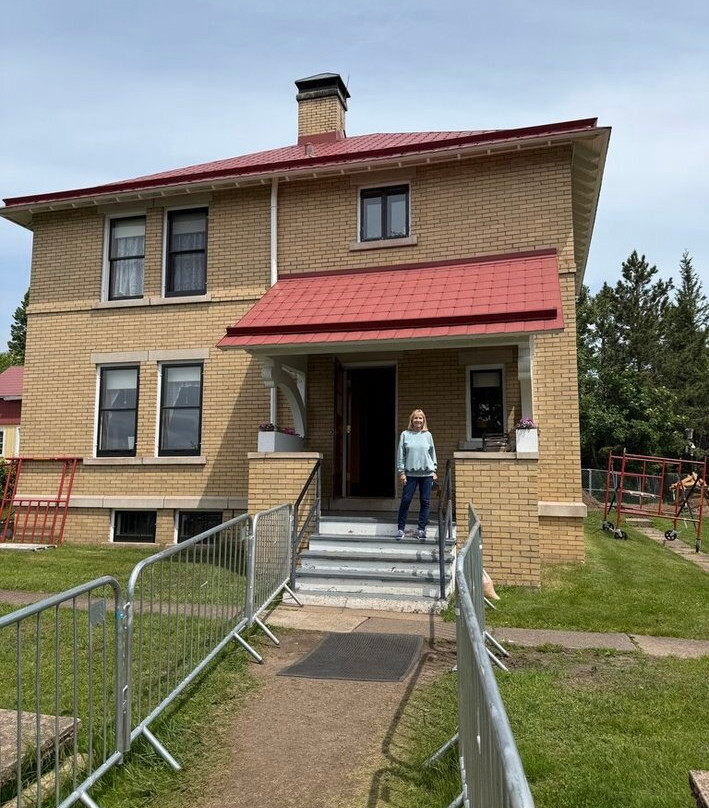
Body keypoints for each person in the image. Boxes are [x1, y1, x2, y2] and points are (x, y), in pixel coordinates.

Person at [396, 408, 437, 541]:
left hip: (426, 474)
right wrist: (401, 472)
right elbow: (401, 454)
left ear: (423, 420)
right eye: (415, 418)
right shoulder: (405, 434)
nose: (418, 420)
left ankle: (421, 529)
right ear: (411, 420)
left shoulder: (428, 435)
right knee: (406, 500)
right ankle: (401, 528)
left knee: (425, 502)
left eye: (420, 418)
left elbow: (432, 454)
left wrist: (434, 469)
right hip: (410, 474)